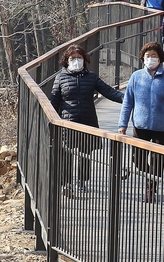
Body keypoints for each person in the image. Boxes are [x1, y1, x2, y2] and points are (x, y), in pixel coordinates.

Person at [49, 45, 124, 197]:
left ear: (84, 60)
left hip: (88, 121)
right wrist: (51, 121)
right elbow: (54, 101)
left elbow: (108, 91)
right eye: (72, 58)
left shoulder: (91, 77)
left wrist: (127, 99)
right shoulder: (60, 78)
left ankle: (82, 182)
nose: (76, 61)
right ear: (66, 61)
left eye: (79, 58)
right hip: (67, 123)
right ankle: (67, 184)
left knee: (85, 153)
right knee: (66, 153)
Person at [118, 42, 164, 203]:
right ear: (143, 58)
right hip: (140, 127)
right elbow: (128, 102)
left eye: (154, 56)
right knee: (137, 159)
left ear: (160, 58)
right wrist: (123, 124)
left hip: (161, 127)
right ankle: (151, 178)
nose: (151, 59)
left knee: (158, 161)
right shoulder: (136, 77)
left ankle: (150, 188)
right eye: (148, 56)